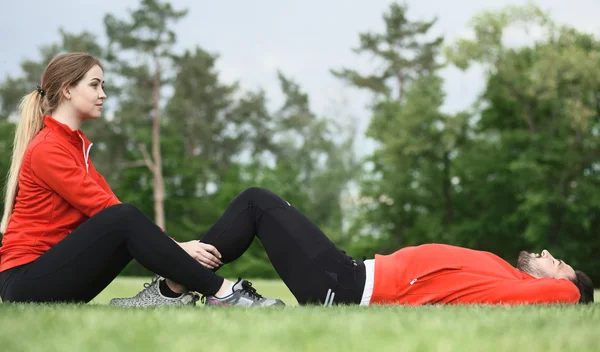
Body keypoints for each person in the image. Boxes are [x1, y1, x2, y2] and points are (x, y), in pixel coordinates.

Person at [0, 52, 283, 308]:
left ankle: (169, 292)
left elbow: (114, 212)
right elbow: (105, 210)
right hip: (26, 281)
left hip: (55, 274)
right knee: (121, 216)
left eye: (103, 86)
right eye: (95, 84)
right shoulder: (48, 148)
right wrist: (177, 247)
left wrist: (174, 247)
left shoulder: (75, 147)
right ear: (67, 91)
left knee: (123, 216)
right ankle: (223, 293)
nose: (103, 94)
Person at [117, 187, 594, 306]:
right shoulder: (504, 275)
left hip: (344, 288)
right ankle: (177, 283)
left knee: (257, 204)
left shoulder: (542, 291)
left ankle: (174, 285)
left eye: (559, 264)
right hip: (349, 273)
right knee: (258, 204)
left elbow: (569, 296)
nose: (551, 256)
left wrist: (575, 288)